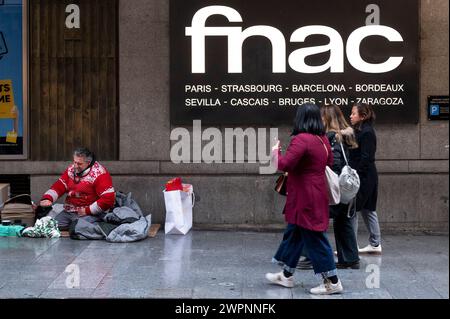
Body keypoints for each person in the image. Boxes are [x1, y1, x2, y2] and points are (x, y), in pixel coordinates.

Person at [265, 103, 344, 295]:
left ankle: (332, 282)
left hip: (304, 197)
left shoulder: (301, 139)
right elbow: (329, 162)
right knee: (295, 233)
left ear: (300, 118)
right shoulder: (322, 139)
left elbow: (284, 164)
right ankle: (286, 274)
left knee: (314, 238)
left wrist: (275, 151)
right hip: (315, 193)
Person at [321, 104, 360, 268]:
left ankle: (311, 255)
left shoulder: (332, 137)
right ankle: (350, 259)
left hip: (335, 185)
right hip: (346, 185)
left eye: (322, 116)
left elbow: (335, 163)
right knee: (343, 221)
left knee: (319, 218)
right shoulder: (348, 136)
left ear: (328, 118)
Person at [40, 147, 115, 230]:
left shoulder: (100, 173)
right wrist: (48, 198)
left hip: (89, 213)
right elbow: (60, 185)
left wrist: (88, 210)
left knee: (77, 228)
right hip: (70, 211)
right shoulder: (71, 169)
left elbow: (109, 199)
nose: (75, 166)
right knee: (50, 227)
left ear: (88, 163)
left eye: (79, 164)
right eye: (74, 162)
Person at [349, 103, 382, 254]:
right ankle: (375, 243)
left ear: (362, 116)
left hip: (364, 176)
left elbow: (366, 158)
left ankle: (351, 246)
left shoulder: (367, 132)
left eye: (353, 113)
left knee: (354, 209)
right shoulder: (360, 130)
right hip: (366, 175)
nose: (351, 116)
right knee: (368, 209)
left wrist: (354, 174)